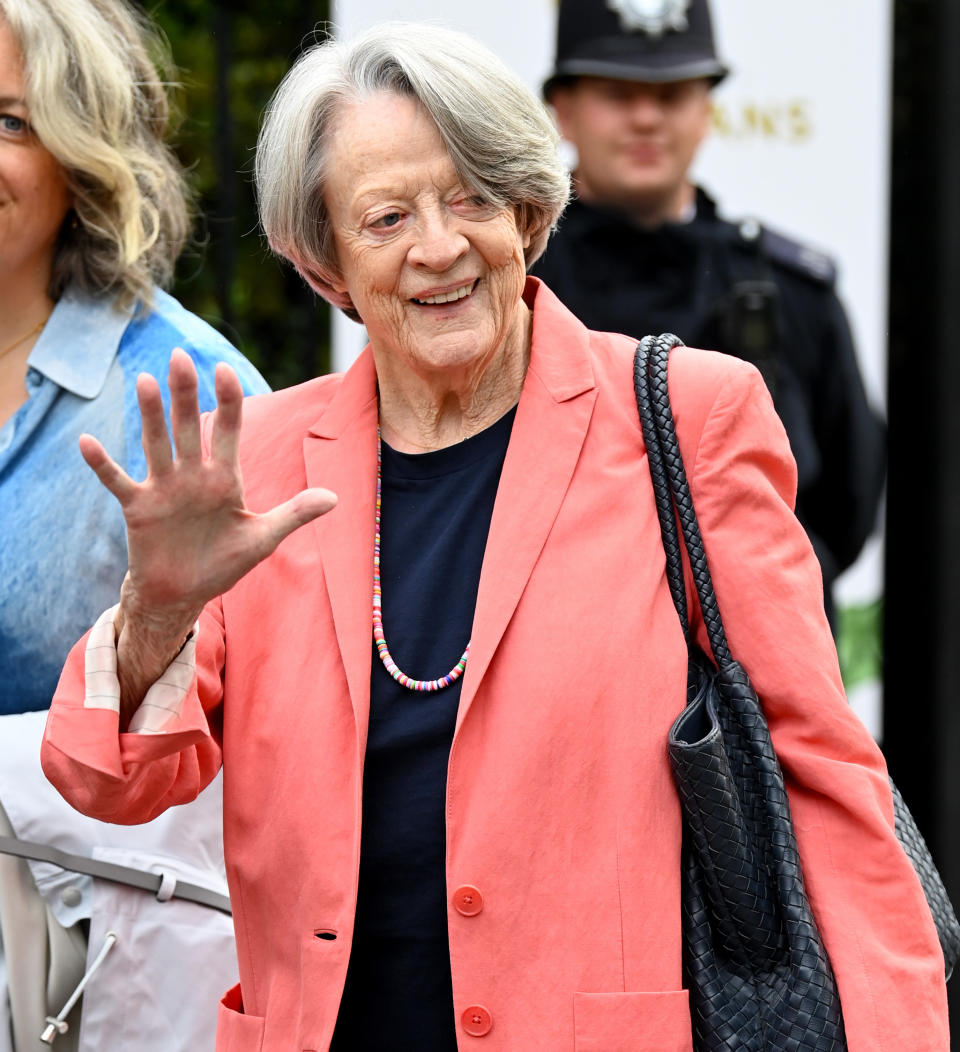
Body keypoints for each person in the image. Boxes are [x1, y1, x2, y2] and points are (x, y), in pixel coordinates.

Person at [40, 21, 947, 1052]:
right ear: (327, 260)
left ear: (526, 208)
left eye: (469, 195)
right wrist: (157, 611)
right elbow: (107, 781)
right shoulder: (258, 461)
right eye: (385, 216)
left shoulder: (689, 417)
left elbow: (820, 771)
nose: (438, 244)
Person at [0, 0, 267, 1046]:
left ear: (84, 156)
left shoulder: (180, 394)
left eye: (11, 121)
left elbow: (271, 733)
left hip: (78, 984)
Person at [530, 0, 886, 627]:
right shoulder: (508, 288)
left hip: (756, 677)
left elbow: (846, 504)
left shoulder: (793, 290)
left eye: (670, 94)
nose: (646, 117)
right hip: (554, 652)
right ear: (563, 110)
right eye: (618, 93)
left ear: (706, 111)